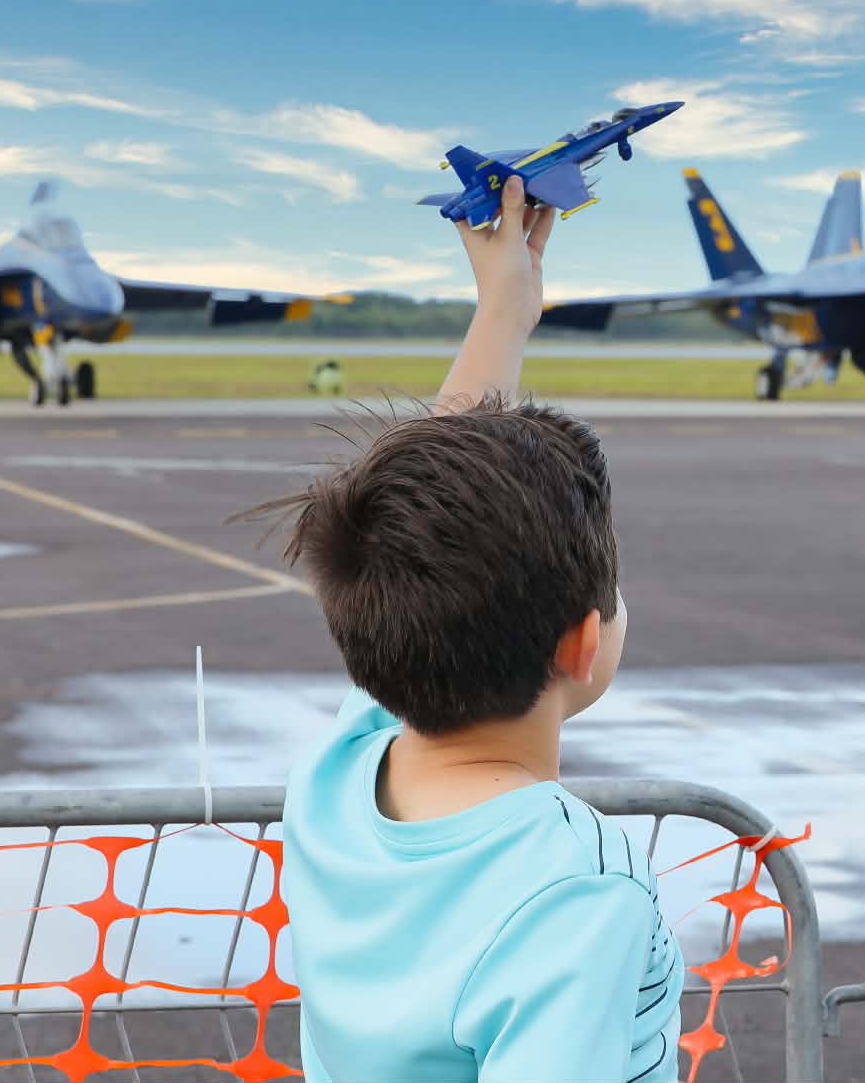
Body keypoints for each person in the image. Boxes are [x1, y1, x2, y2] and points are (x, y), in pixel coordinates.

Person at [258, 174, 683, 1082]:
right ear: (580, 642)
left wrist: (505, 309)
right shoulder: (574, 885)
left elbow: (416, 523)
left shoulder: (344, 772)